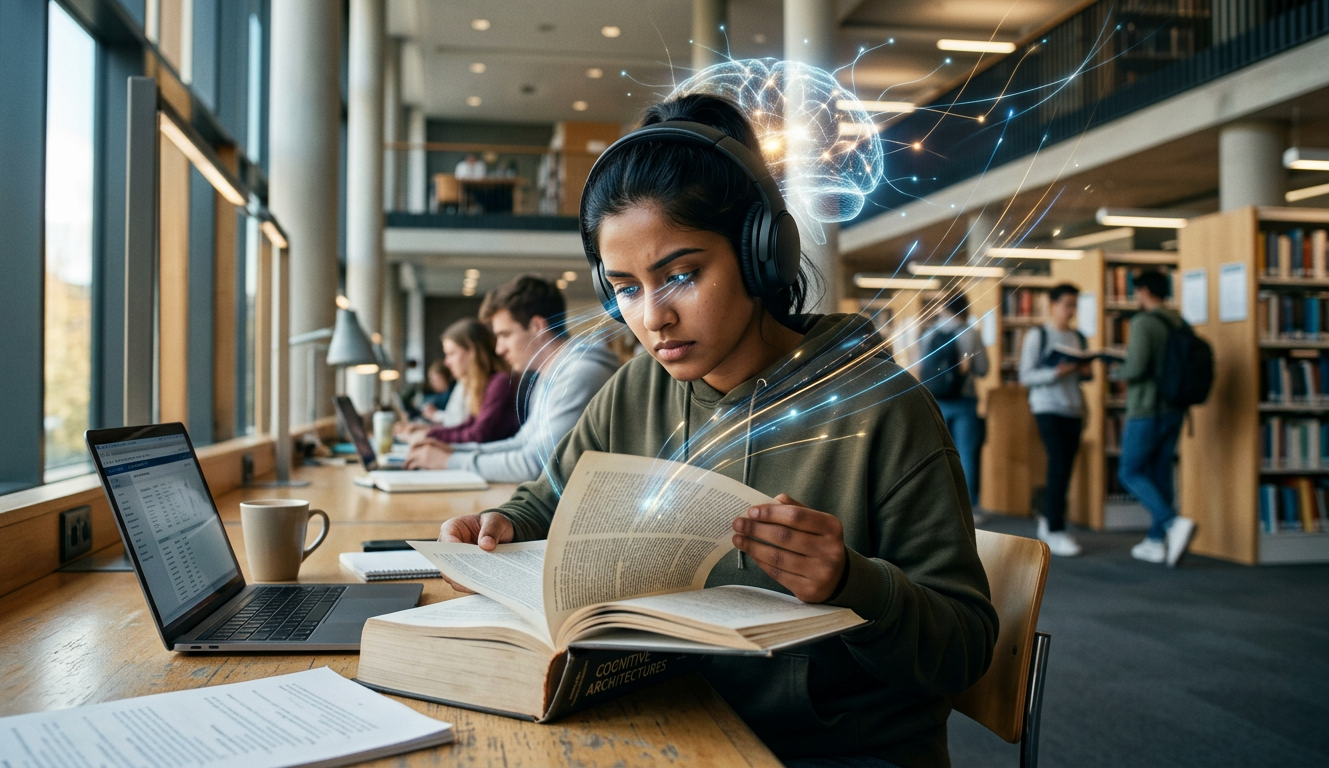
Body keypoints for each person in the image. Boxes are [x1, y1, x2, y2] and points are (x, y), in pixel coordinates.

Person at [434, 94, 996, 767]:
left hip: (827, 752)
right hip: (674, 729)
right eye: (626, 288)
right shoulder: (637, 389)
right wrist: (499, 523)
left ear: (764, 254)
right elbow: (545, 498)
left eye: (680, 276)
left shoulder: (884, 410)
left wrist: (854, 582)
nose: (652, 318)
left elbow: (964, 648)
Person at [403, 276, 619, 481]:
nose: (498, 349)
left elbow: (538, 465)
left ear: (537, 326)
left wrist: (451, 461)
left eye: (505, 335)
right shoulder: (549, 373)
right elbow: (522, 443)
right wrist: (454, 450)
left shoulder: (578, 373)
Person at [1114, 270, 1198, 566]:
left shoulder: (1144, 322)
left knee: (1129, 471)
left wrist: (1115, 371)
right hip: (1175, 410)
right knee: (1160, 472)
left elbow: (1136, 367)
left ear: (1145, 291)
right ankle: (1155, 541)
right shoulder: (1180, 321)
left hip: (1146, 409)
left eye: (1137, 292)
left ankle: (1171, 522)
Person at [1019, 283, 1087, 557]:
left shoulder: (1079, 337)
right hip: (1047, 406)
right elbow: (1026, 376)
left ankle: (1049, 520)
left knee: (1065, 466)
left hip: (1074, 408)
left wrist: (1085, 370)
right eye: (1067, 304)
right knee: (1058, 463)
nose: (1071, 311)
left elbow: (1081, 377)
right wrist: (1055, 373)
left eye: (1074, 305)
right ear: (1053, 305)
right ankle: (1056, 528)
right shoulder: (1039, 335)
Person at [920, 291, 989, 512]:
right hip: (964, 401)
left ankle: (940, 507)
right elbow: (983, 369)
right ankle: (967, 509)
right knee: (966, 454)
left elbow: (922, 367)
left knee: (938, 455)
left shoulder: (928, 333)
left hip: (935, 401)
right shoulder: (969, 333)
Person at [401, 319, 521, 445]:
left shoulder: (500, 382)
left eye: (451, 353)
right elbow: (468, 425)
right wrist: (430, 432)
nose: (446, 362)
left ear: (472, 351)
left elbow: (479, 434)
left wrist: (430, 435)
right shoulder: (484, 384)